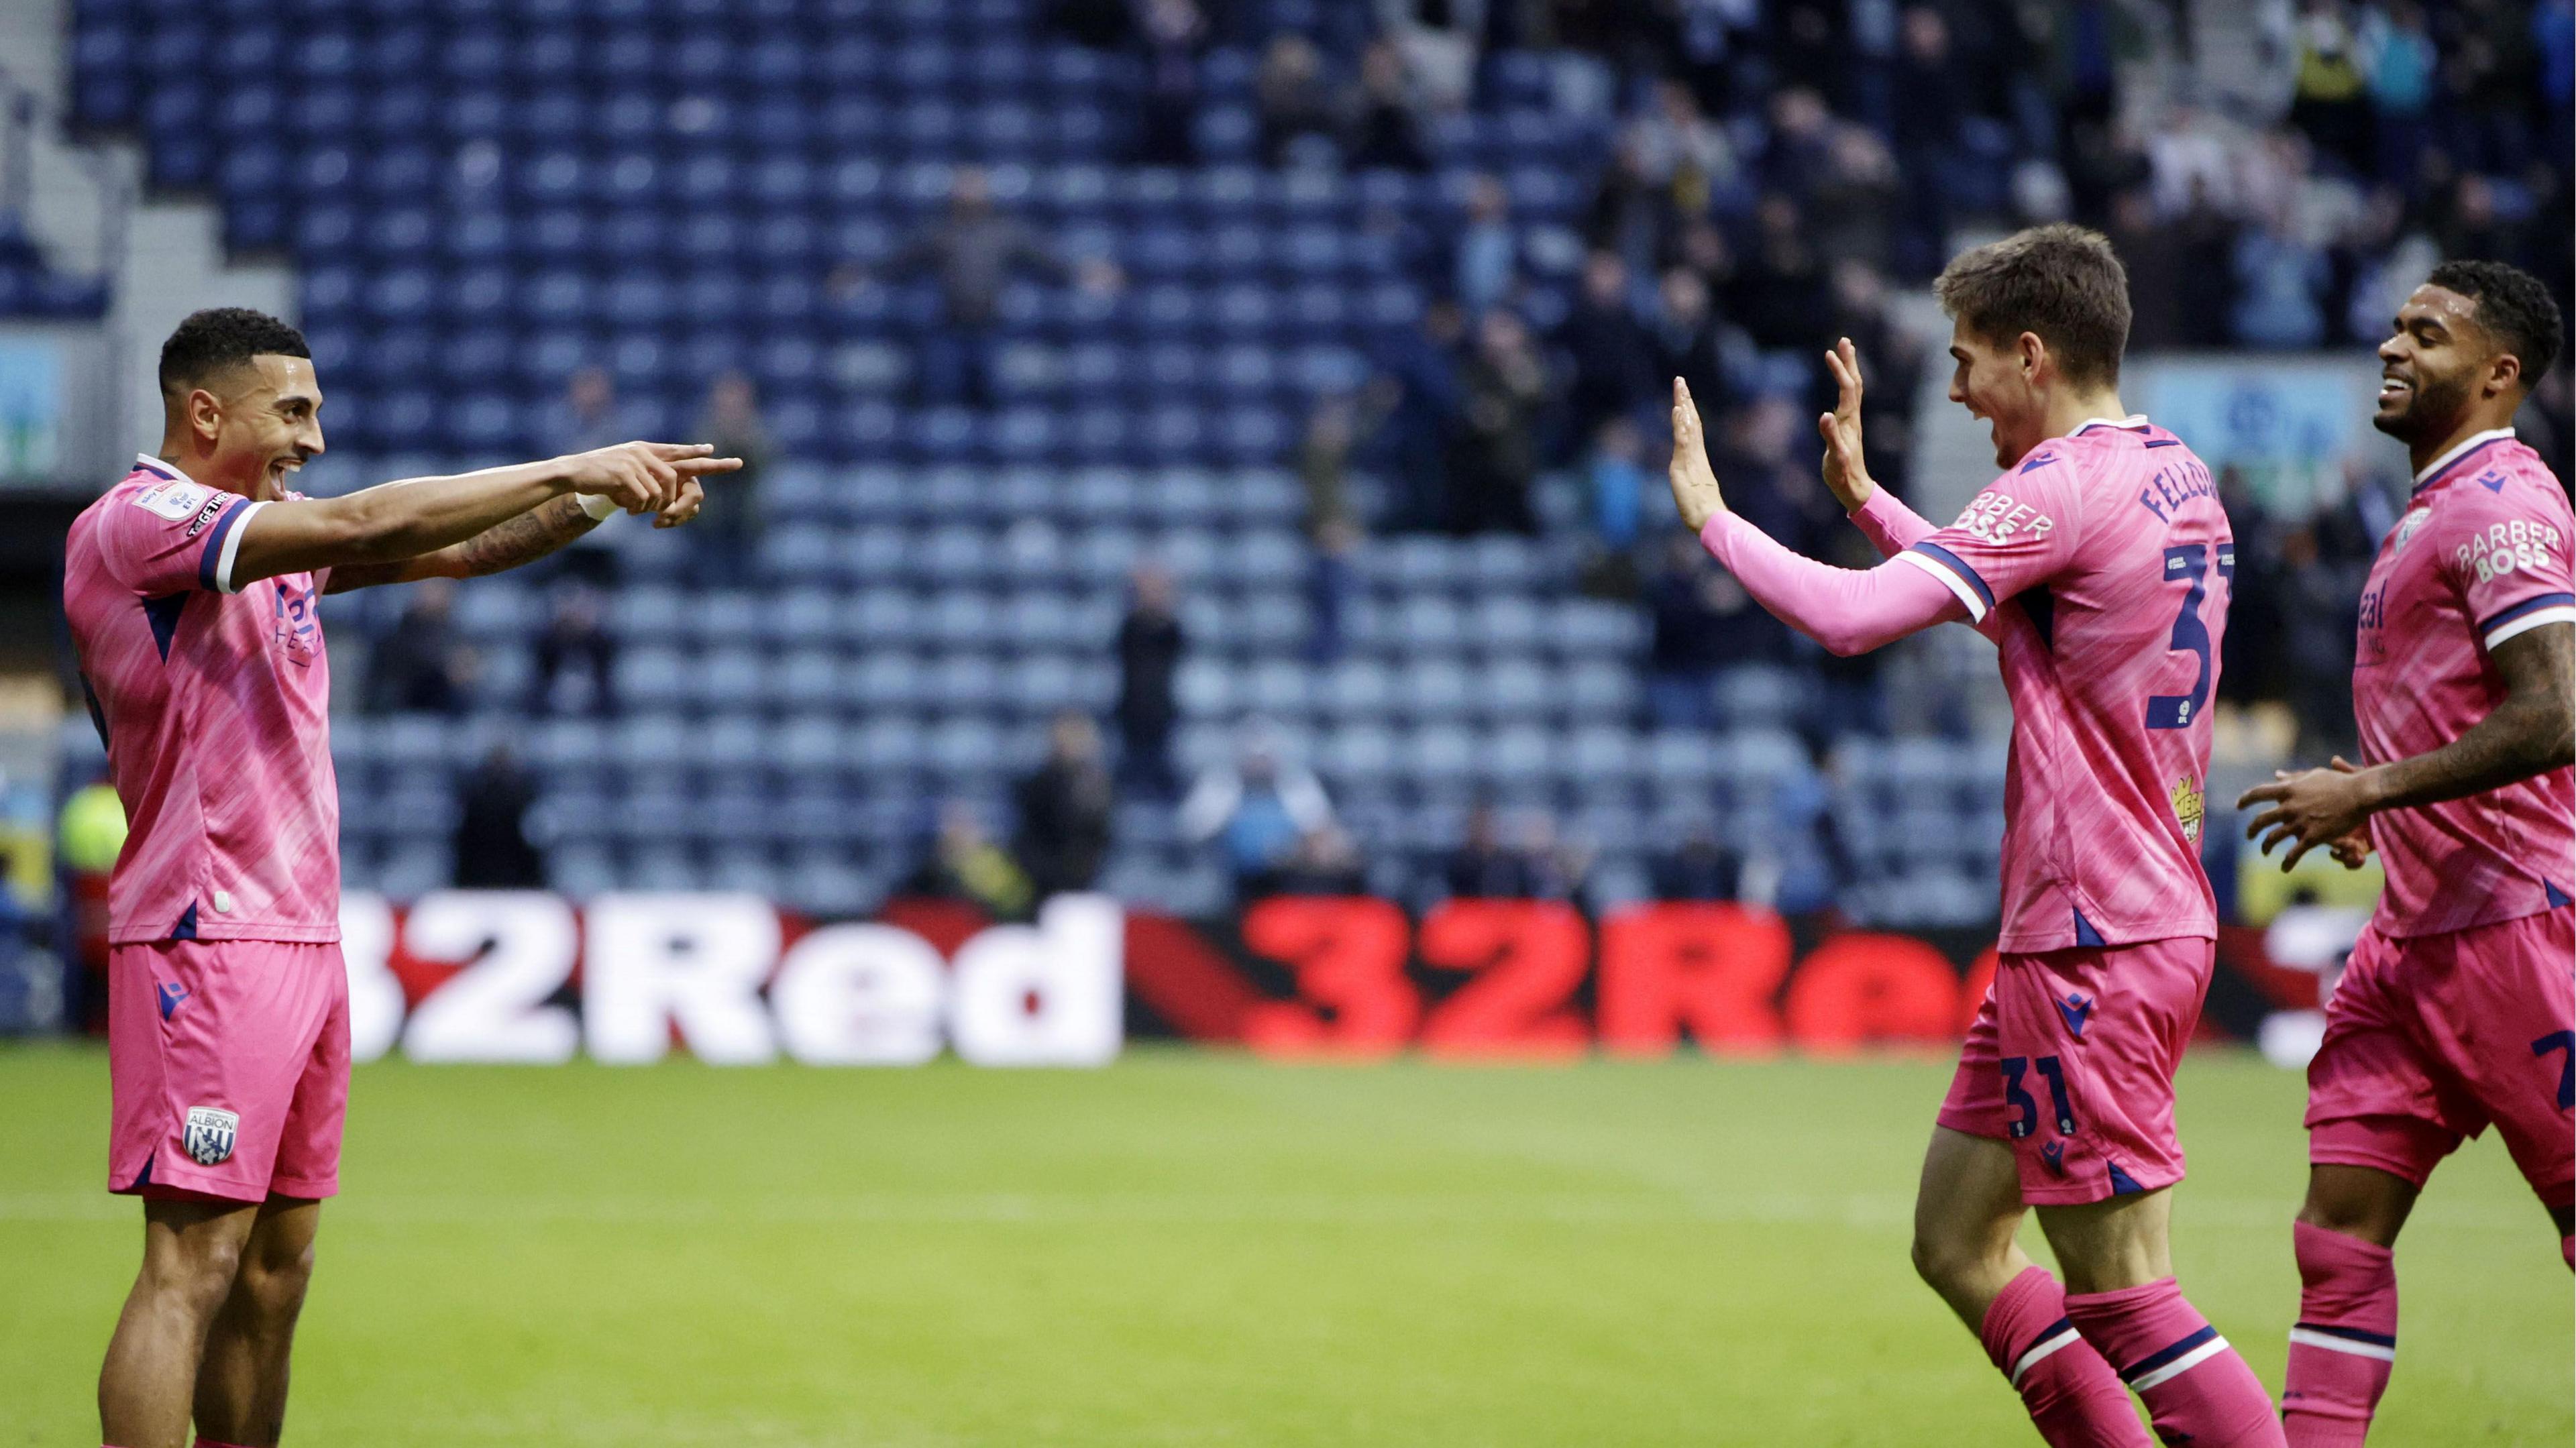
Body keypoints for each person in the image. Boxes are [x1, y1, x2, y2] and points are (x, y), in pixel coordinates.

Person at [63, 307, 735, 1448]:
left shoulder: (265, 540)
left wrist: (594, 501)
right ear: (204, 411)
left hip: (301, 938)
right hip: (205, 932)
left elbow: (454, 549)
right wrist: (578, 454)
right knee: (191, 1259)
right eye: (296, 410)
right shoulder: (138, 524)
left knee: (277, 1268)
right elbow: (377, 514)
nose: (315, 438)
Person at [1670, 229, 2284, 1446]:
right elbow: (2033, 622)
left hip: (2095, 933)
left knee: (2121, 1290)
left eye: (1965, 363)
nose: (1955, 391)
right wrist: (1868, 503)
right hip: (2119, 914)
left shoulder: (2053, 486)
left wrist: (1711, 517)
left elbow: (1850, 622)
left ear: (2031, 353)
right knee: (1956, 1241)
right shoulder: (2175, 473)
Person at [2234, 261, 2574, 1447]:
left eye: (2426, 335)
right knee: (2336, 1237)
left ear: (2497, 373)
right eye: (2393, 325)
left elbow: (2556, 709)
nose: (2392, 346)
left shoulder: (2501, 509)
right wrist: (2395, 804)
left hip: (2521, 933)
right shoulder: (2430, 508)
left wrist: (2375, 783)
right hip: (2414, 942)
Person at [851, 167, 1120, 410]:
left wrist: (1086, 274)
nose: (969, 194)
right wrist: (860, 275)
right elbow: (899, 261)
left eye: (975, 187)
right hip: (948, 326)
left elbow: (1048, 261)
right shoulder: (939, 230)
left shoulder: (1005, 231)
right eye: (964, 188)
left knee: (995, 396)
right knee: (940, 393)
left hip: (992, 327)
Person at [1178, 724, 1335, 895]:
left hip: (1285, 874)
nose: (1258, 764)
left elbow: (1319, 828)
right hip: (1229, 872)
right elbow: (1193, 829)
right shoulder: (1219, 784)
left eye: (1263, 758)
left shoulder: (1298, 784)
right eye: (1253, 758)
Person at [1014, 713, 1115, 902]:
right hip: (1042, 882)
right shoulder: (1039, 785)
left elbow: (1098, 836)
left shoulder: (1099, 786)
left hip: (1085, 883)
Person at [688, 371, 771, 588]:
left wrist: (742, 440)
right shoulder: (704, 428)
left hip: (748, 515)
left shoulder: (757, 431)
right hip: (710, 516)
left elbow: (764, 461)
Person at [1113, 563, 1186, 797]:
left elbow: (1173, 640)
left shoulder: (1171, 630)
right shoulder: (1130, 628)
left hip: (1163, 711)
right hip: (1131, 711)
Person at [451, 743, 545, 889]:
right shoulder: (474, 799)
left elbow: (530, 844)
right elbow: (466, 842)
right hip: (477, 879)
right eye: (496, 762)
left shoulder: (523, 798)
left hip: (517, 880)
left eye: (503, 763)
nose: (499, 768)